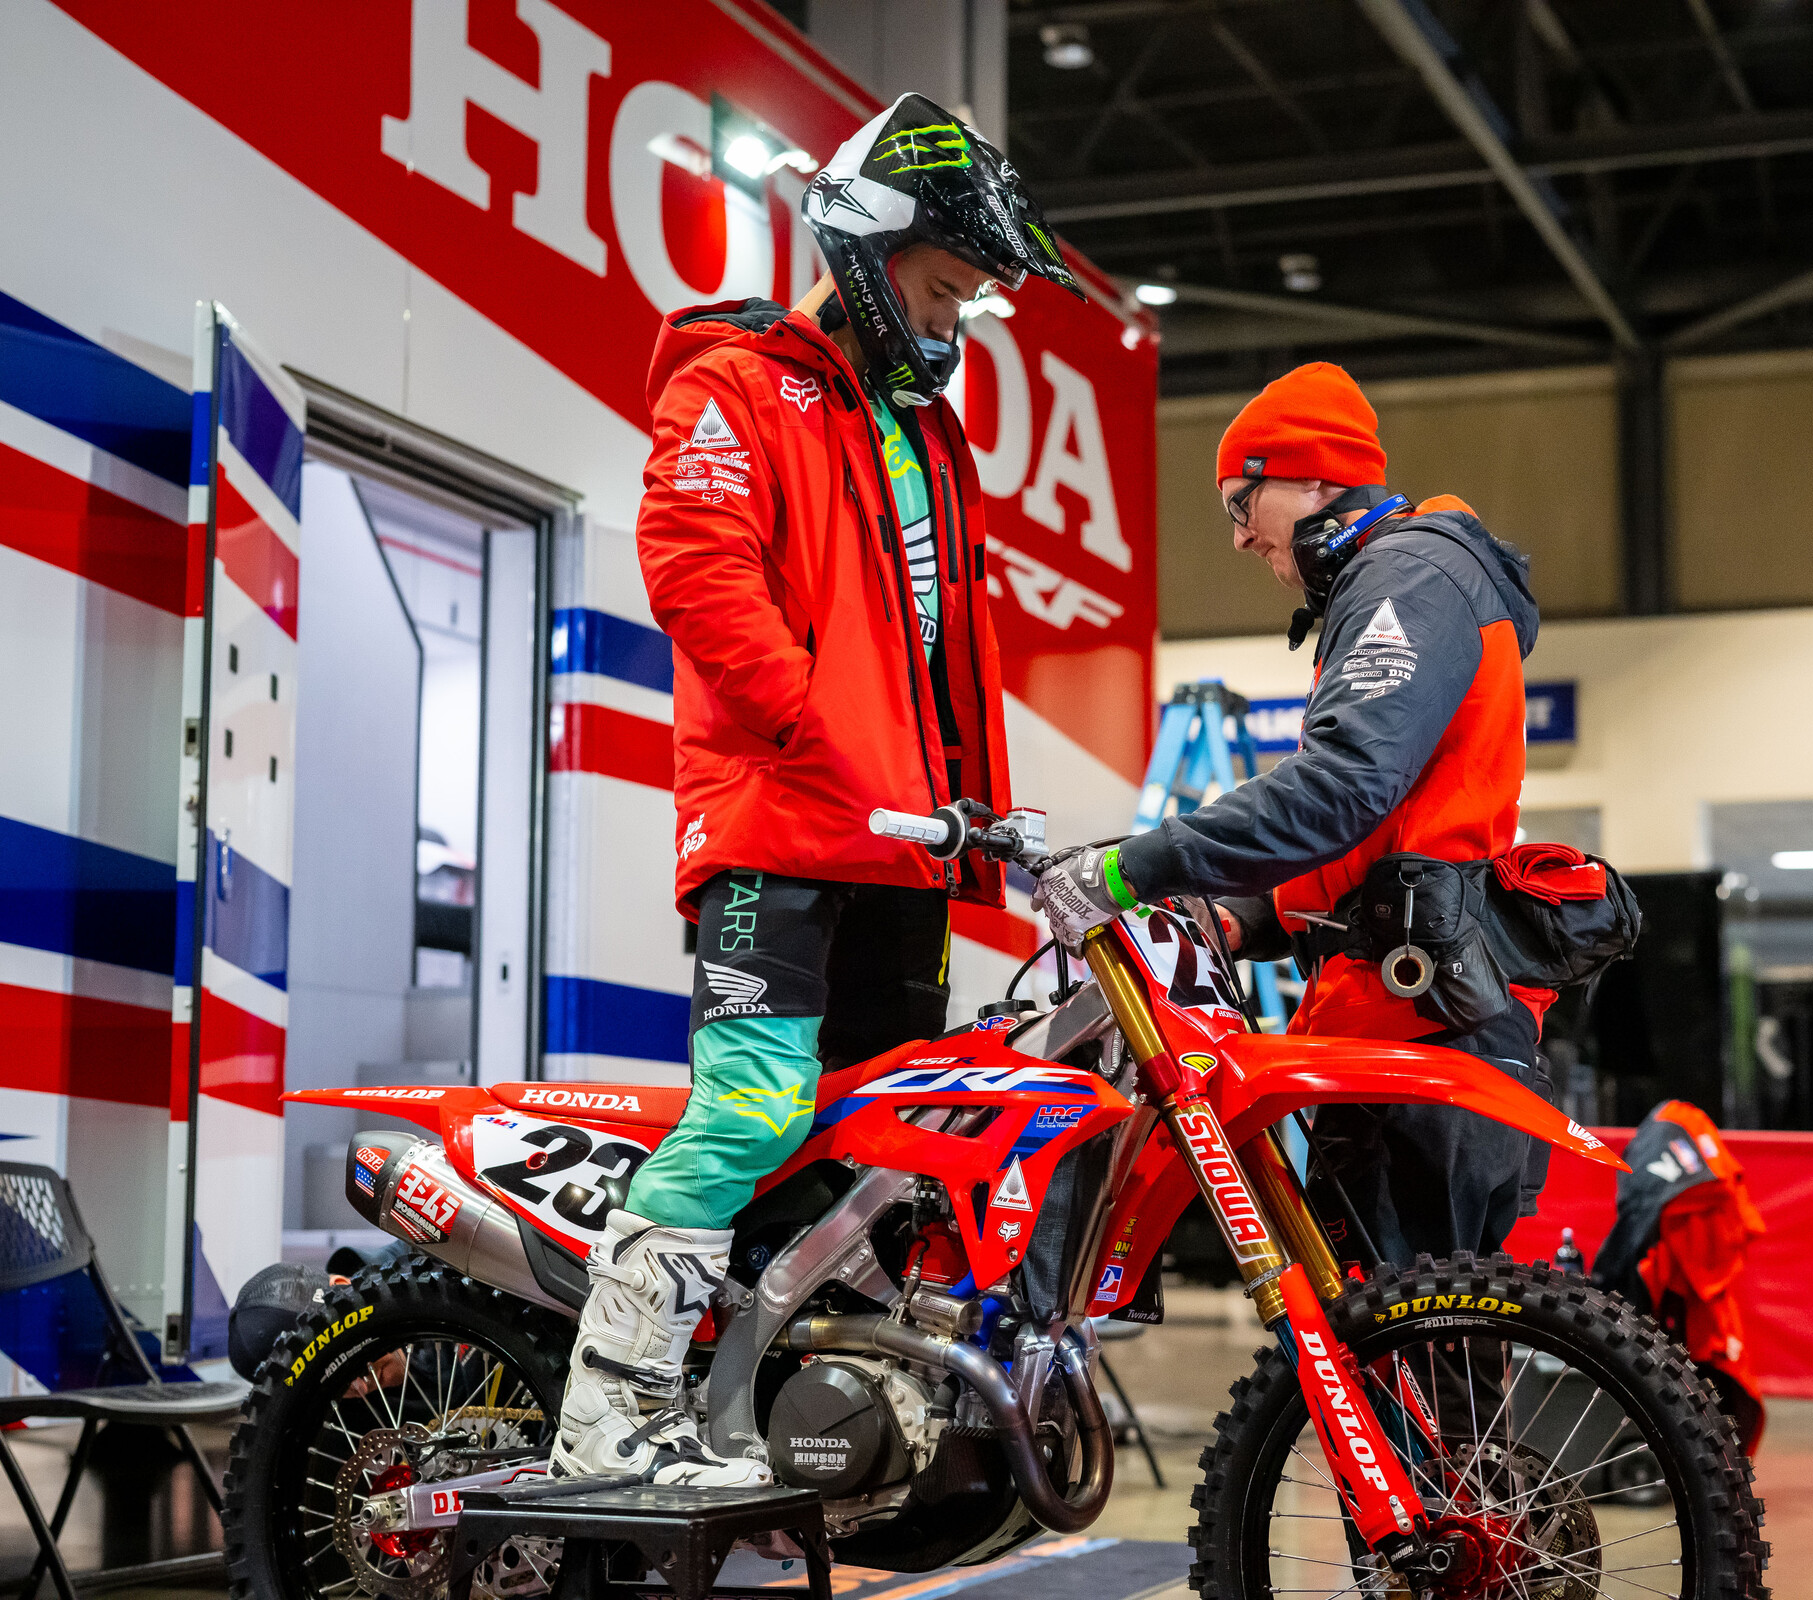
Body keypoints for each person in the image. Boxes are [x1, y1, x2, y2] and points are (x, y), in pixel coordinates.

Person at [551, 94, 1082, 1486]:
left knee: (870, 1160)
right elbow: (698, 572)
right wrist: (816, 730)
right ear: (868, 246)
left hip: (902, 849)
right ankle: (613, 1408)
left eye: (971, 298)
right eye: (945, 286)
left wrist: (968, 810)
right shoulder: (736, 381)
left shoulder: (915, 432)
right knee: (754, 1113)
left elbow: (930, 656)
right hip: (782, 826)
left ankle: (804, 1427)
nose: (957, 321)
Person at [1033, 360, 1554, 1274]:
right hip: (1416, 1014)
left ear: (1312, 475)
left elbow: (1342, 789)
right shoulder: (1411, 579)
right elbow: (1377, 837)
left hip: (1419, 1025)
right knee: (1421, 1373)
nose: (1238, 537)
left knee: (1400, 1357)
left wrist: (1131, 868)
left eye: (1243, 502)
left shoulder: (1409, 578)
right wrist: (1244, 922)